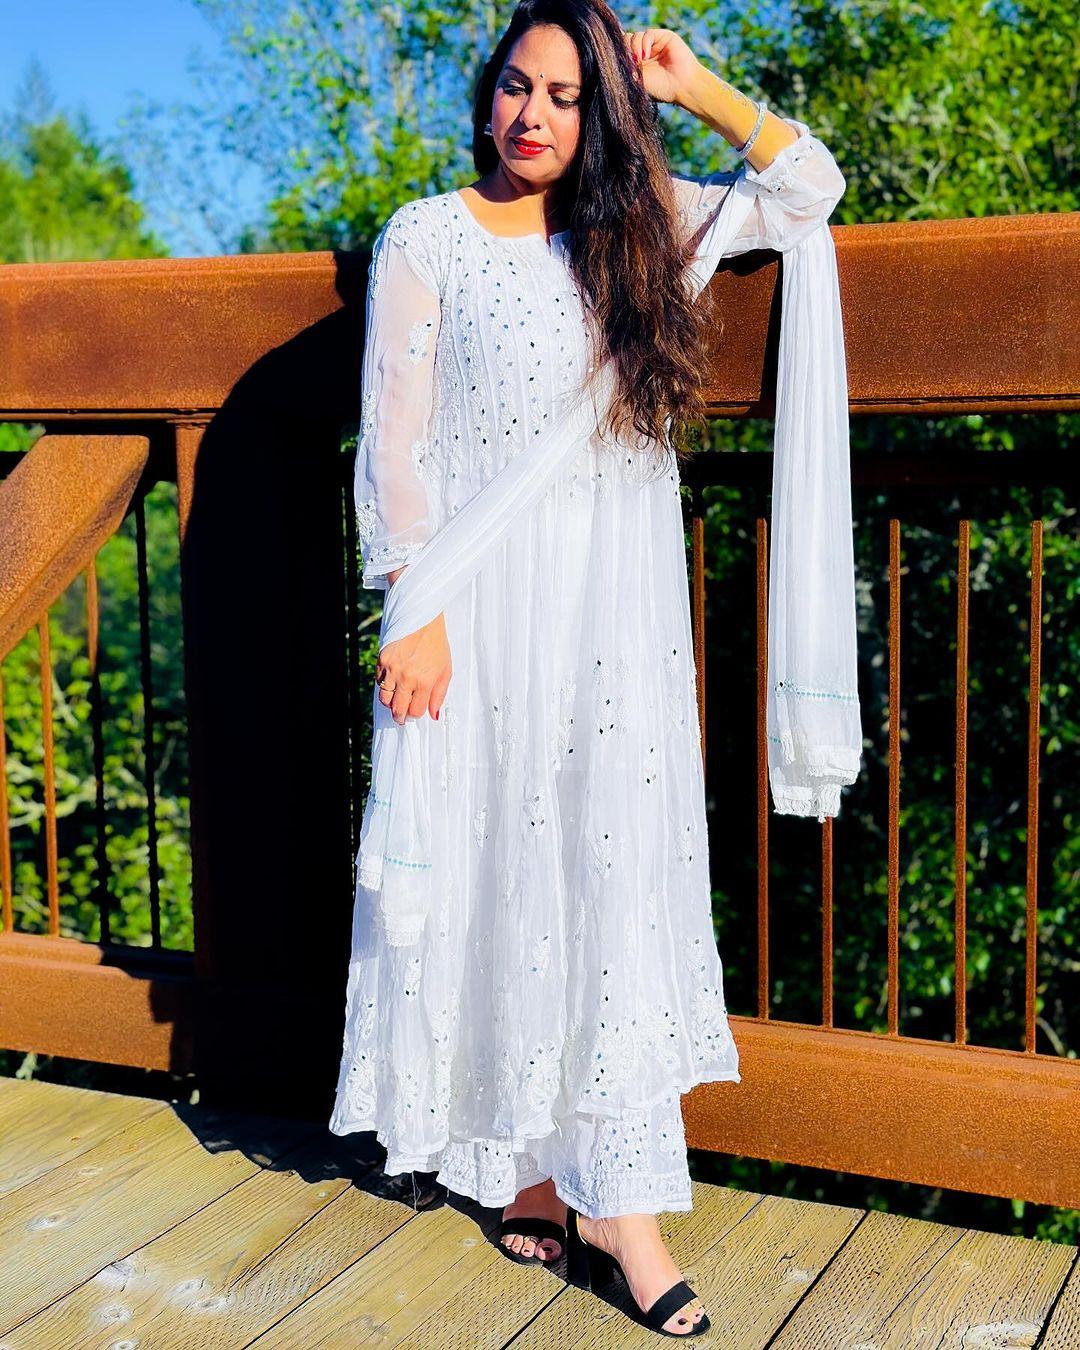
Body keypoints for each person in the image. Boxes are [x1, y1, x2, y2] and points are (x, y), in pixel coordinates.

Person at [330, 0, 862, 1337]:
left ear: (602, 114)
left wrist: (695, 86)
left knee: (606, 867)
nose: (533, 116)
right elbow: (395, 440)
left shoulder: (642, 229)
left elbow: (810, 187)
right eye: (518, 86)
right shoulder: (427, 236)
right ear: (487, 93)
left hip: (614, 621)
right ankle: (523, 1163)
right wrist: (412, 611)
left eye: (568, 97)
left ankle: (623, 1205)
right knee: (503, 864)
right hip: (477, 613)